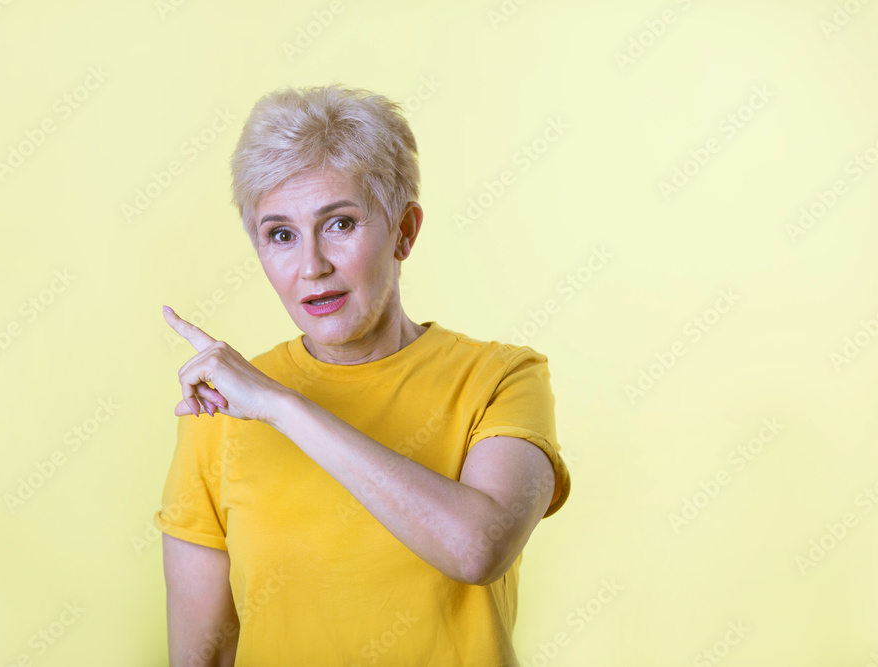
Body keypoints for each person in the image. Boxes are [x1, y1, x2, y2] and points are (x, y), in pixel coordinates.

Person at [152, 83, 572, 666]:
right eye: (280, 235)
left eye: (340, 224)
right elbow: (203, 656)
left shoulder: (502, 377)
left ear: (404, 230)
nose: (312, 266)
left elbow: (478, 547)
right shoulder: (220, 405)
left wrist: (282, 407)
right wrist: (262, 400)